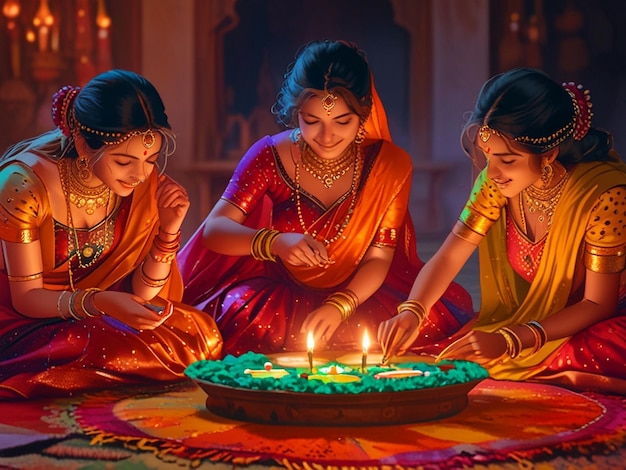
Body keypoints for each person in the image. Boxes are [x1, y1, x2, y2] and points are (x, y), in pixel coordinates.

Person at [179, 40, 473, 355]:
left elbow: (379, 257)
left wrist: (340, 305)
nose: (327, 136)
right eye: (312, 121)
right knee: (236, 322)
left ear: (363, 112)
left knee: (406, 328)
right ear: (296, 113)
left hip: (360, 295)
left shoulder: (390, 165)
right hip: (278, 296)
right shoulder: (269, 155)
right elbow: (214, 231)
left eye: (342, 122)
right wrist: (274, 242)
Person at [378, 67, 626, 394]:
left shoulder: (605, 196)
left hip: (592, 320)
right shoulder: (496, 184)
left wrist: (511, 339)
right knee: (431, 328)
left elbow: (598, 304)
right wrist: (412, 311)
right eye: (487, 156)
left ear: (548, 154)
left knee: (598, 348)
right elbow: (451, 254)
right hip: (531, 319)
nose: (491, 172)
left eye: (507, 160)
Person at [0, 69, 222, 399]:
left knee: (200, 335)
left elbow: (144, 294)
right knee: (85, 342)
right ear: (83, 145)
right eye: (123, 161)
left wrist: (168, 229)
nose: (140, 174)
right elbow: (27, 298)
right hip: (26, 318)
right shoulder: (23, 184)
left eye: (151, 159)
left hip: (103, 311)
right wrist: (100, 302)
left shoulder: (143, 187)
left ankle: (102, 369)